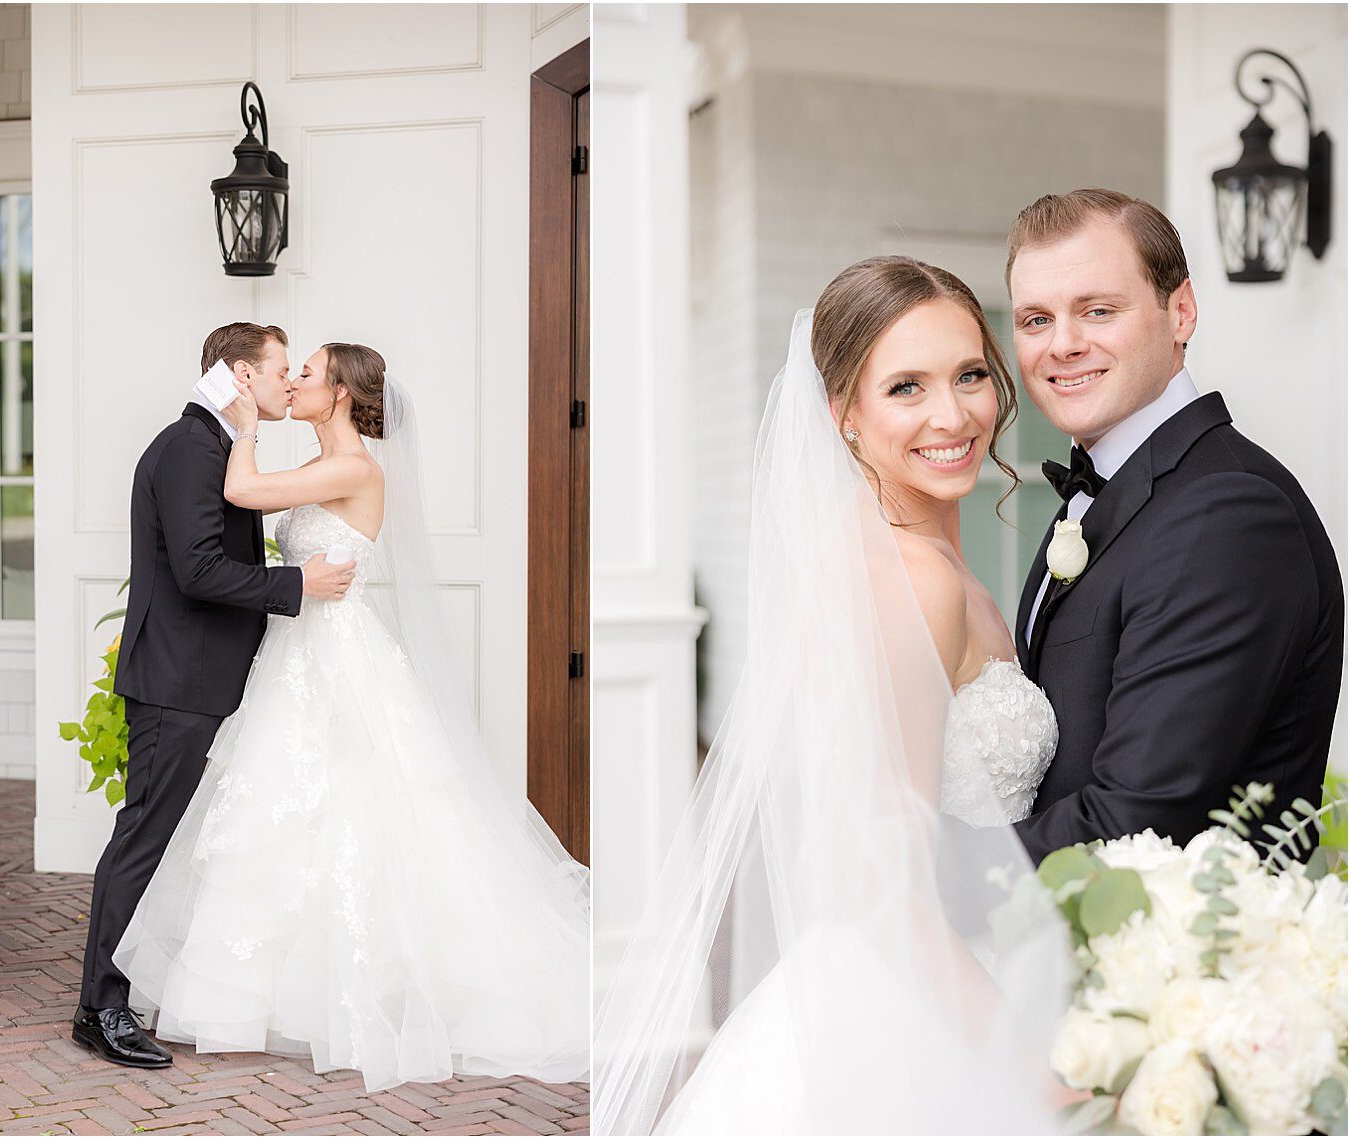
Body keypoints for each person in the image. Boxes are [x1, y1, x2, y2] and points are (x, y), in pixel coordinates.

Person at [592, 259, 1070, 1134]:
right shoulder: (908, 580)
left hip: (963, 960)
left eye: (970, 374)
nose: (952, 414)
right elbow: (875, 882)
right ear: (843, 415)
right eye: (905, 387)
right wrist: (1030, 1063)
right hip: (917, 1007)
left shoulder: (918, 557)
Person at [113, 342, 590, 1093]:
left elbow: (241, 493)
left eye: (307, 371)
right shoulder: (322, 470)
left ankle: (370, 991)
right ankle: (283, 992)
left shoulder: (356, 468)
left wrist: (241, 421)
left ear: (338, 392)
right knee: (297, 817)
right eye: (290, 369)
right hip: (297, 653)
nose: (294, 380)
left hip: (338, 660)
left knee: (354, 811)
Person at [1006, 189, 1343, 863]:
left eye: (1098, 310)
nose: (1063, 344)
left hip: (1170, 946)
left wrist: (926, 874)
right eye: (1036, 319)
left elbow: (1137, 815)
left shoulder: (1228, 515)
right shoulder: (1111, 484)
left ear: (1180, 311)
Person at [74, 323, 353, 1070]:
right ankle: (100, 1006)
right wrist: (296, 584)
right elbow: (197, 571)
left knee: (175, 842)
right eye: (275, 370)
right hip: (176, 682)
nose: (285, 382)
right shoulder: (189, 448)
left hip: (204, 679)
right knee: (145, 838)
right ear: (238, 375)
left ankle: (130, 987)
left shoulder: (216, 446)